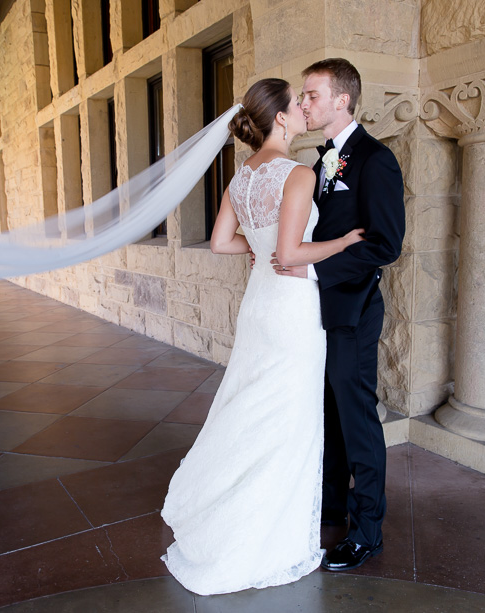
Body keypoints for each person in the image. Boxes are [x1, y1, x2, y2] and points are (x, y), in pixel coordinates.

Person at [160, 78, 365, 595]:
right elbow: (292, 255)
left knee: (254, 404)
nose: (304, 111)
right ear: (280, 118)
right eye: (298, 105)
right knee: (286, 416)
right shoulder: (296, 174)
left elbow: (219, 243)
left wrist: (259, 246)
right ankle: (263, 536)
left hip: (259, 308)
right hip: (292, 309)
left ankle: (229, 514)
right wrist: (340, 241)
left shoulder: (242, 178)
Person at [273, 58, 405, 571]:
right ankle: (331, 506)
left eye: (311, 95)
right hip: (313, 311)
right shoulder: (325, 158)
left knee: (357, 419)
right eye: (303, 97)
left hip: (351, 307)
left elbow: (386, 244)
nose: (304, 103)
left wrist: (312, 272)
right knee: (326, 412)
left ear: (342, 100)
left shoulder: (376, 160)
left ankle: (367, 528)